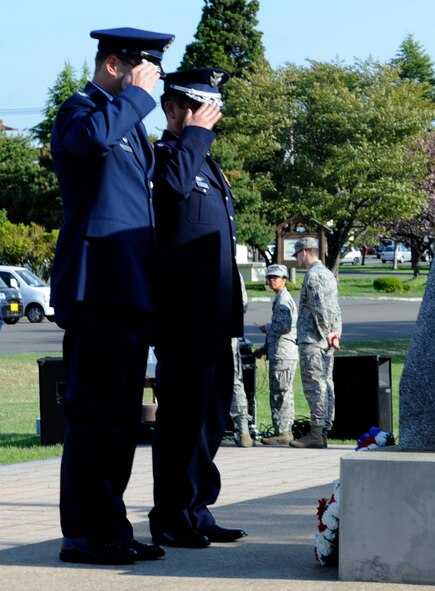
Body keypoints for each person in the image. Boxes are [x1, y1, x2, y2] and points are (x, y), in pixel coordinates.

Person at [49, 27, 174, 565]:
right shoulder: (80, 112)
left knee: (123, 420)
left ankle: (110, 526)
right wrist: (138, 97)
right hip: (96, 286)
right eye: (144, 70)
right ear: (115, 66)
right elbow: (92, 142)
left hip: (128, 289)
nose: (152, 81)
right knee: (95, 416)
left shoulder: (125, 122)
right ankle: (84, 533)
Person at [149, 68, 247, 549]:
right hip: (182, 317)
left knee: (210, 417)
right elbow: (169, 192)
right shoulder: (166, 155)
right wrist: (193, 137)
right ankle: (170, 514)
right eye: (198, 109)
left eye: (212, 110)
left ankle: (196, 507)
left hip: (214, 317)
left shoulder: (203, 161)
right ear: (172, 111)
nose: (210, 118)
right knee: (181, 419)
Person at [289, 237, 342, 449]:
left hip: (314, 339)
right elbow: (335, 308)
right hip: (327, 340)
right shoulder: (328, 273)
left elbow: (320, 308)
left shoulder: (313, 276)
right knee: (326, 383)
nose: (297, 260)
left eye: (297, 255)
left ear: (304, 253)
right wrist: (336, 333)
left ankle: (316, 432)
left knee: (315, 385)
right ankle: (324, 429)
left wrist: (325, 333)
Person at [254, 264, 298, 445]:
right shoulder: (280, 299)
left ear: (284, 280)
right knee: (280, 392)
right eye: (269, 277)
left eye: (276, 277)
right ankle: (282, 430)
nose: (271, 280)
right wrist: (263, 349)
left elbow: (284, 327)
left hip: (283, 354)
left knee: (281, 393)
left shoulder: (284, 300)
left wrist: (267, 327)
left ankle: (283, 432)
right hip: (278, 352)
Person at [230, 273, 254, 447]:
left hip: (201, 333)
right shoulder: (234, 273)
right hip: (227, 332)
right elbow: (243, 304)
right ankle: (243, 427)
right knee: (234, 381)